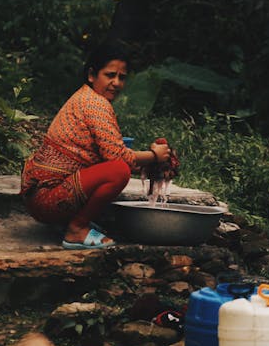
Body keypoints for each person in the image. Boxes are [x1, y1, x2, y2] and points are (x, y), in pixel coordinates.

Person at [20, 42, 172, 249]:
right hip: (47, 199)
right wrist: (154, 155)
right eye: (110, 75)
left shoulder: (85, 97)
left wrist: (151, 162)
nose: (116, 83)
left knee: (116, 167)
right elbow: (118, 158)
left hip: (42, 197)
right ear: (92, 75)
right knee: (118, 171)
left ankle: (73, 223)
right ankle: (76, 229)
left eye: (122, 77)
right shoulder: (94, 104)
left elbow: (110, 154)